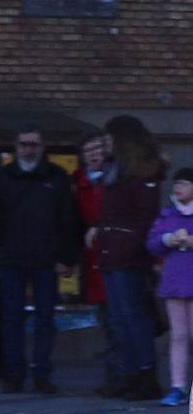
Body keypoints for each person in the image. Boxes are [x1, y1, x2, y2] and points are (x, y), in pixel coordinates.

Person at [0, 125, 85, 395]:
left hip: (45, 260)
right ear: (16, 147)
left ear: (42, 147)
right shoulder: (2, 178)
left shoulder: (57, 177)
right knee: (11, 319)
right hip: (12, 259)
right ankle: (14, 373)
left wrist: (66, 257)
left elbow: (69, 219)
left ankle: (41, 373)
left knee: (45, 320)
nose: (29, 149)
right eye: (24, 144)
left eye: (34, 144)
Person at [96, 116, 167, 401]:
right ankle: (130, 373)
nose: (106, 143)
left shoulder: (143, 171)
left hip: (127, 254)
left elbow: (146, 215)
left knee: (133, 316)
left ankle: (145, 374)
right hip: (112, 252)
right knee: (119, 318)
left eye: (110, 138)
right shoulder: (116, 171)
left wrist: (129, 246)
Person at [146, 169, 193, 408]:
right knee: (179, 336)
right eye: (177, 183)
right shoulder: (167, 214)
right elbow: (152, 243)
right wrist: (168, 240)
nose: (178, 187)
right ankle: (178, 386)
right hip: (174, 284)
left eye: (185, 183)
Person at [73, 133, 114, 392]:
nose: (94, 154)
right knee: (108, 322)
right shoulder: (81, 183)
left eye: (98, 148)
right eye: (88, 150)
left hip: (115, 258)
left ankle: (119, 376)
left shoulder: (115, 179)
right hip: (93, 262)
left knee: (118, 323)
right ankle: (114, 376)